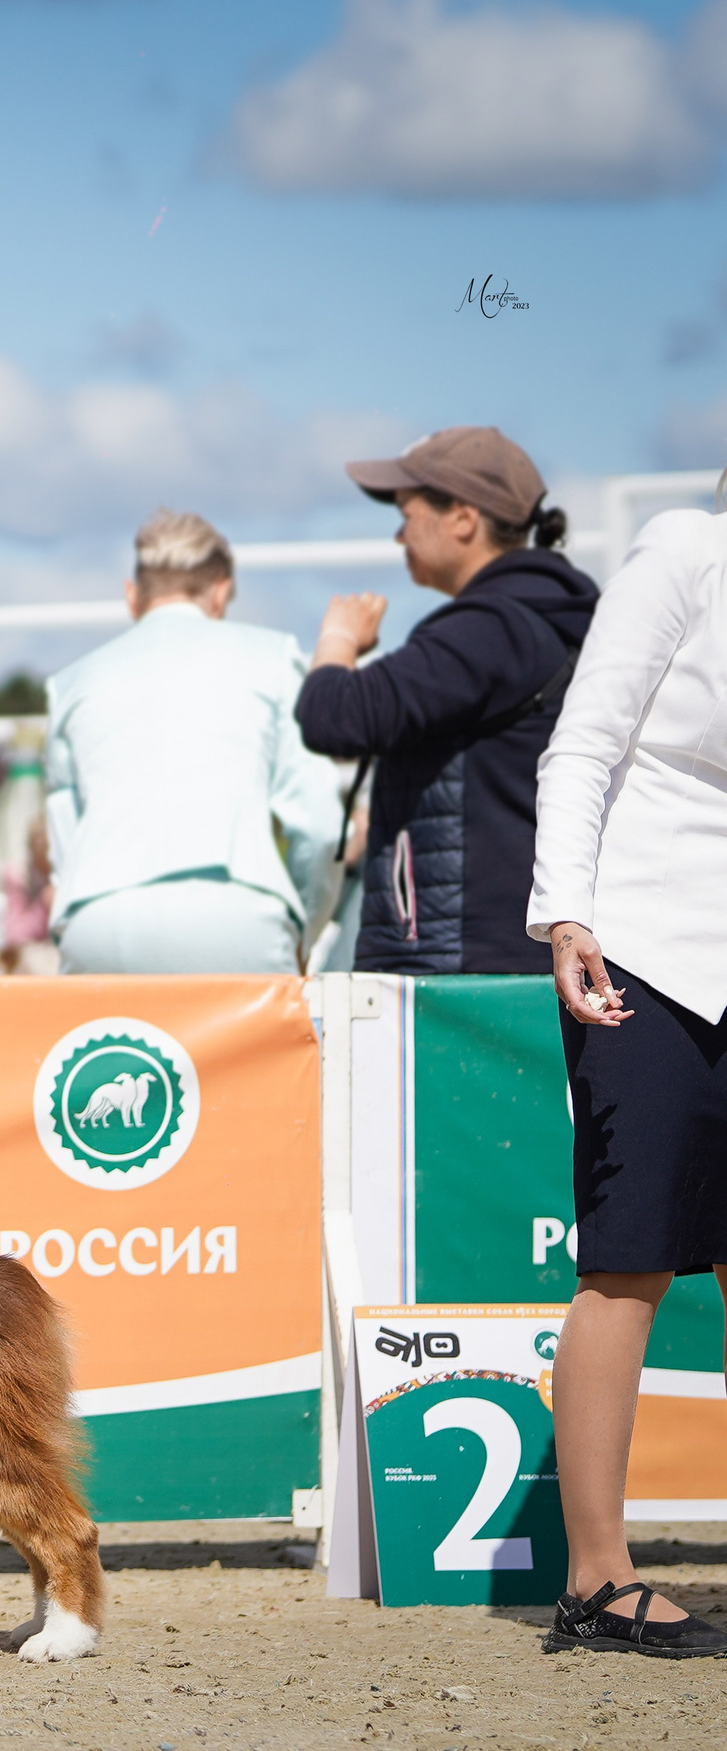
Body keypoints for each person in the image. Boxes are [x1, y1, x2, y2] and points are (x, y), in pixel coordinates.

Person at [527, 506, 727, 1658]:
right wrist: (568, 914)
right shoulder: (687, 546)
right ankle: (596, 1578)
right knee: (627, 1263)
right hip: (641, 949)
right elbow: (583, 741)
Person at [297, 427, 597, 974]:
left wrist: (338, 637)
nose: (398, 536)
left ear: (463, 518)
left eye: (408, 514)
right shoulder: (566, 617)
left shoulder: (489, 630)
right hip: (523, 947)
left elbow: (330, 714)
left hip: (462, 963)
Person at [44, 509, 341, 973]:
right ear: (221, 592)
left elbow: (66, 844)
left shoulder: (70, 683)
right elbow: (320, 823)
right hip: (240, 917)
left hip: (100, 920)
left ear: (131, 595)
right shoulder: (274, 658)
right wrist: (304, 925)